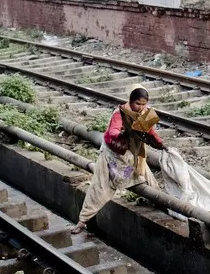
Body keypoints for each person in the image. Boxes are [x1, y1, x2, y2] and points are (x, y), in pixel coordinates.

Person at [71, 84, 166, 234]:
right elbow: (113, 130)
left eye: (143, 104)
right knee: (99, 187)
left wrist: (161, 145)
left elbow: (151, 132)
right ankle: (82, 221)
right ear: (130, 101)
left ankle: (163, 206)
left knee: (149, 181)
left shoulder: (146, 114)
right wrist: (122, 134)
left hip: (131, 156)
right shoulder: (120, 113)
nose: (140, 107)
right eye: (137, 103)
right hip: (112, 155)